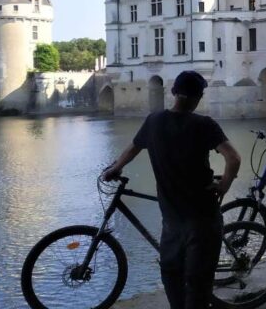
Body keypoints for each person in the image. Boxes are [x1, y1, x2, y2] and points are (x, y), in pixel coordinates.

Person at [101, 71, 241, 309]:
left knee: (171, 275)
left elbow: (132, 149)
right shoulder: (204, 125)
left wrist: (115, 168)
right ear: (198, 97)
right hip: (203, 218)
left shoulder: (153, 121)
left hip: (171, 219)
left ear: (174, 92)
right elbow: (233, 158)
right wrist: (224, 185)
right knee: (199, 285)